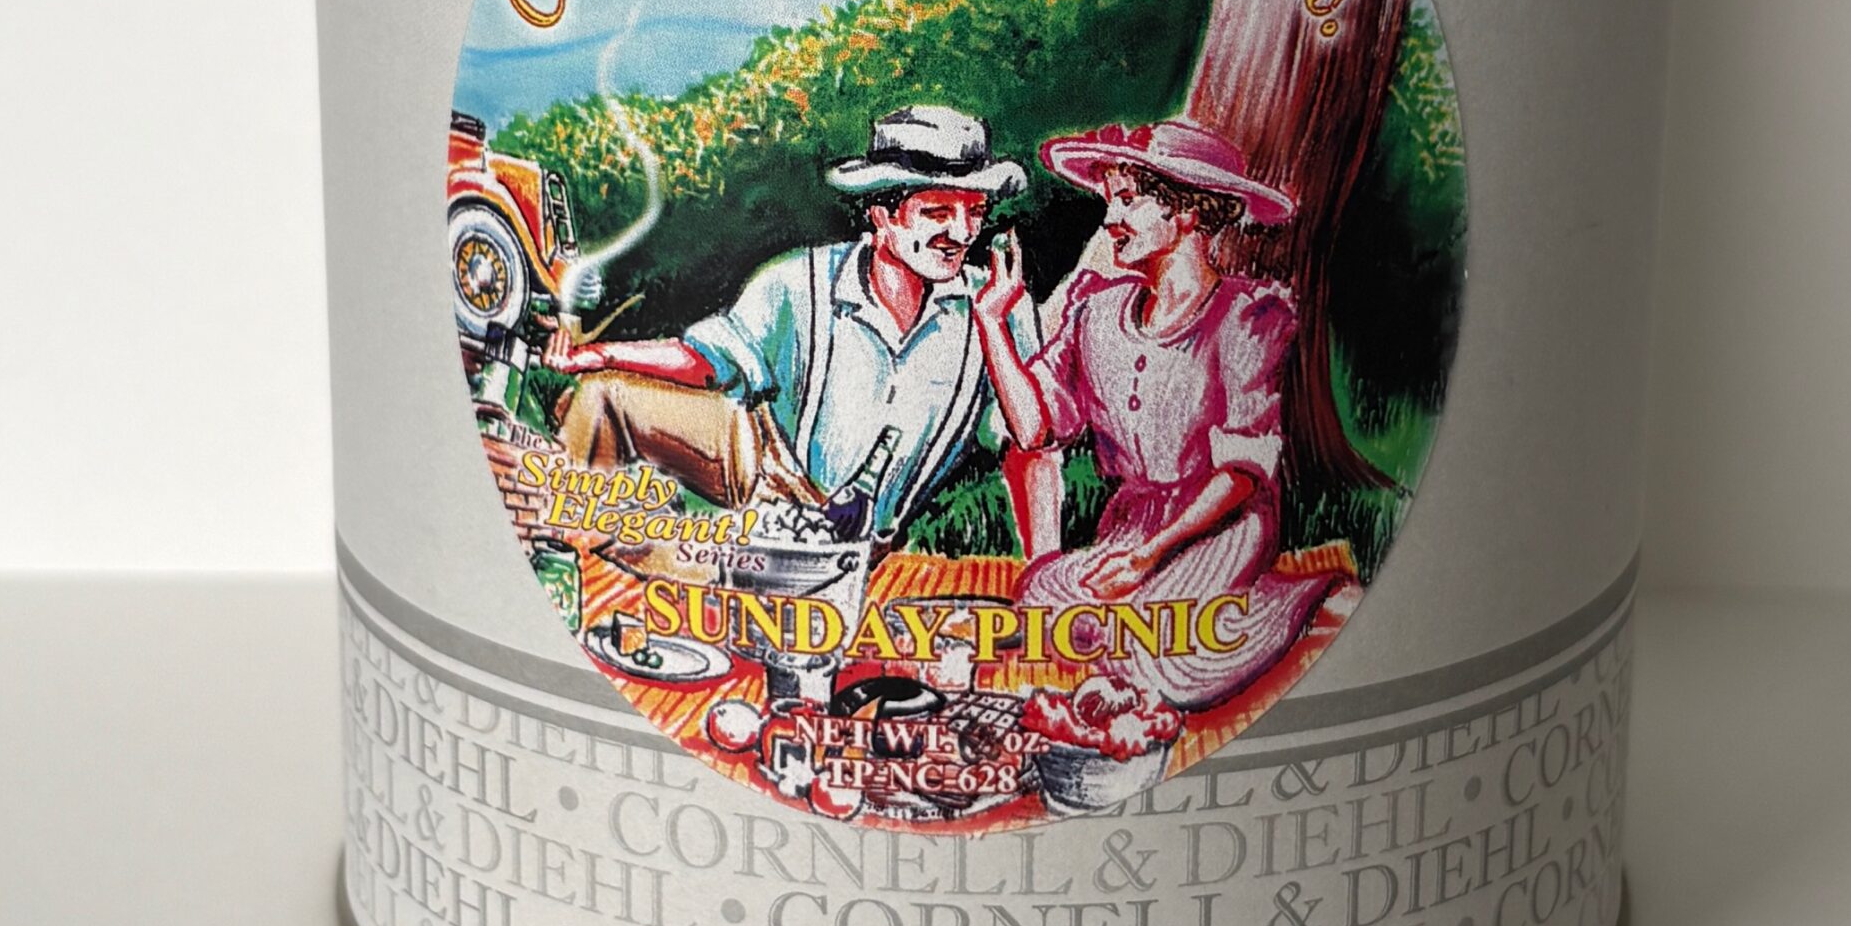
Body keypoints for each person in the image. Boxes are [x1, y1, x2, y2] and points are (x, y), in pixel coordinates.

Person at [970, 117, 1343, 713]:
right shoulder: (1097, 312)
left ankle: (1294, 601)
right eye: (1110, 202)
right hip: (1129, 527)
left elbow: (1242, 473)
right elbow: (1034, 427)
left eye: (1129, 201)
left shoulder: (1248, 316)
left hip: (1220, 527)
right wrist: (992, 322)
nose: (1111, 221)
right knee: (1045, 599)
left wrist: (1151, 553)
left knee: (1168, 653)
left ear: (1188, 212)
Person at [547, 106, 1036, 545]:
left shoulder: (995, 304)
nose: (962, 233)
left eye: (975, 212)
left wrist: (994, 324)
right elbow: (707, 363)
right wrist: (599, 354)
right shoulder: (800, 281)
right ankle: (569, 552)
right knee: (602, 397)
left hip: (871, 538)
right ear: (881, 215)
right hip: (770, 469)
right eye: (937, 212)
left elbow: (1034, 437)